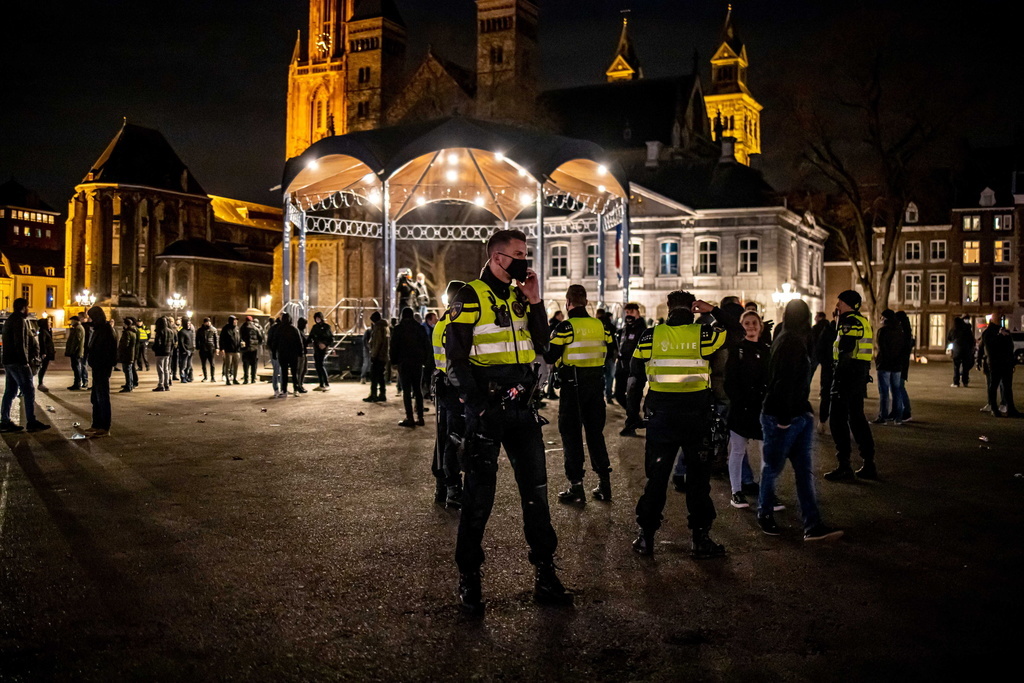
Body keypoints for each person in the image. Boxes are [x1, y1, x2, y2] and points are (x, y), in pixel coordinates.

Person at [444, 228, 571, 613]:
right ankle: (470, 577)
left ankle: (545, 574)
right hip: (488, 411)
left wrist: (535, 303)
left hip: (522, 408)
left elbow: (545, 347)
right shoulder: (469, 296)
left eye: (526, 253)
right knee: (478, 499)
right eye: (519, 254)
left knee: (537, 494)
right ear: (498, 258)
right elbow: (455, 362)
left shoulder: (521, 296)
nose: (525, 261)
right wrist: (480, 408)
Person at [629, 290, 727, 559]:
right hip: (696, 418)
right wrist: (712, 310)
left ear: (668, 308)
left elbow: (635, 376)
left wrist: (632, 415)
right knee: (698, 481)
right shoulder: (703, 335)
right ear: (692, 308)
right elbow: (736, 331)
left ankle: (646, 538)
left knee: (656, 480)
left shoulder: (651, 335)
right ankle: (700, 539)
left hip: (661, 419)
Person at [757, 299, 844, 541]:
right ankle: (765, 513)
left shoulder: (789, 340)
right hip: (783, 416)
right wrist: (785, 419)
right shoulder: (791, 343)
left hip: (796, 414)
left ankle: (812, 523)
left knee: (803, 471)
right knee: (773, 468)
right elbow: (782, 383)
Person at [544, 284, 615, 503]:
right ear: (586, 302)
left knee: (572, 436)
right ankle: (604, 484)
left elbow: (550, 356)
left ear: (568, 303)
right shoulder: (601, 326)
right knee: (595, 435)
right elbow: (612, 350)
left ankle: (576, 487)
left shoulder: (565, 327)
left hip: (572, 388)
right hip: (595, 386)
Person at [825, 290, 877, 482]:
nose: (837, 305)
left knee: (838, 420)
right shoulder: (861, 320)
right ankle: (868, 462)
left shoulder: (849, 321)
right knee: (857, 418)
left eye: (840, 302)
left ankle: (844, 465)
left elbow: (846, 350)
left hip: (847, 375)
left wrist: (838, 379)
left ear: (847, 303)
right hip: (858, 375)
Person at [724, 310, 770, 509]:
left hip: (761, 408)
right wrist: (739, 401)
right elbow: (730, 380)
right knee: (737, 451)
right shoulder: (737, 349)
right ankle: (736, 492)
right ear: (741, 326)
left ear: (760, 325)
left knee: (766, 453)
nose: (751, 326)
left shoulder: (767, 349)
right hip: (741, 408)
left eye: (754, 322)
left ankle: (767, 492)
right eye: (747, 323)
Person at [431, 280, 466, 508]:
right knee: (455, 437)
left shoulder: (440, 323)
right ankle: (453, 487)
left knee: (444, 435)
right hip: (455, 387)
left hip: (443, 384)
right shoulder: (455, 323)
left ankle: (442, 485)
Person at [0, 298, 50, 433]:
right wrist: (24, 362)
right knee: (28, 391)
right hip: (18, 362)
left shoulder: (11, 319)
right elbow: (20, 343)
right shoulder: (19, 321)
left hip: (9, 361)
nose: (28, 310)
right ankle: (31, 421)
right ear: (23, 307)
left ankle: (4, 420)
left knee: (10, 391)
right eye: (27, 307)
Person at [390, 306, 429, 426]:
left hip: (404, 363)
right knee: (418, 390)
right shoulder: (420, 328)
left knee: (406, 391)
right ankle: (421, 417)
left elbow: (393, 346)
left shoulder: (398, 329)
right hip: (417, 363)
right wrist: (424, 360)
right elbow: (427, 345)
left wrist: (393, 362)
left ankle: (410, 417)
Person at [82, 305, 117, 438]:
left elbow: (110, 351)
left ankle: (104, 426)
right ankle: (96, 424)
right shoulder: (98, 329)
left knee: (102, 397)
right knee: (95, 397)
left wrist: (105, 365)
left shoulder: (106, 330)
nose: (89, 320)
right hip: (97, 367)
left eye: (91, 317)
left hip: (102, 367)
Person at [977, 315, 1021, 417]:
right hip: (996, 363)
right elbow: (990, 348)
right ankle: (994, 408)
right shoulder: (989, 333)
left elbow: (1010, 347)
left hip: (1004, 363)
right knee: (994, 385)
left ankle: (1009, 408)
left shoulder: (1001, 332)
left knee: (1006, 387)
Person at [614, 302, 647, 436]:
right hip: (622, 367)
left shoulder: (641, 329)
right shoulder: (625, 328)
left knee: (633, 397)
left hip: (635, 368)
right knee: (618, 394)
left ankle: (630, 425)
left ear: (637, 313)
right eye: (627, 312)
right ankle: (635, 419)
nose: (628, 315)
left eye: (631, 312)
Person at [873, 309, 907, 425]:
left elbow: (882, 348)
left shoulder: (883, 331)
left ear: (885, 318)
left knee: (884, 392)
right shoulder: (899, 331)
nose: (881, 319)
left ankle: (883, 416)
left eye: (882, 317)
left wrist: (879, 360)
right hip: (897, 365)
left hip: (885, 365)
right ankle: (898, 417)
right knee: (896, 390)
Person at [813, 312, 838, 432]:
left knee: (828, 394)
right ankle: (823, 421)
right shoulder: (829, 329)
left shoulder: (828, 329)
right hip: (829, 366)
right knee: (827, 394)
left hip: (832, 367)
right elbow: (820, 348)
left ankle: (827, 422)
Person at [275, 313, 305, 398]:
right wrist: (300, 353)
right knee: (294, 372)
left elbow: (275, 342)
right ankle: (295, 389)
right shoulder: (294, 329)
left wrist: (274, 352)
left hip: (283, 354)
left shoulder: (279, 329)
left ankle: (284, 390)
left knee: (284, 373)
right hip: (293, 354)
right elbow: (299, 342)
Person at [363, 311, 389, 402]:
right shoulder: (384, 327)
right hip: (383, 356)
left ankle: (373, 394)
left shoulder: (378, 328)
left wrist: (373, 355)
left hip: (378, 356)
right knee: (381, 376)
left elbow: (377, 343)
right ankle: (382, 394)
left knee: (374, 376)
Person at [596, 308, 618, 404]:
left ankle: (599, 395)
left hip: (598, 355)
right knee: (609, 376)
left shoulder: (596, 325)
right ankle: (608, 395)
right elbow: (613, 342)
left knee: (599, 376)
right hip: (609, 354)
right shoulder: (611, 326)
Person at [895, 311, 914, 422]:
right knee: (899, 387)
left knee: (899, 387)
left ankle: (906, 412)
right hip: (903, 364)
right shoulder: (906, 332)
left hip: (899, 364)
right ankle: (903, 410)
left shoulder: (901, 333)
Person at [308, 312, 334, 391]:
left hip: (323, 349)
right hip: (316, 348)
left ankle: (325, 382)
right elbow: (310, 337)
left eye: (318, 318)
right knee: (318, 365)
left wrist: (325, 344)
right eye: (316, 318)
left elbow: (331, 338)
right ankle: (322, 383)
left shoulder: (326, 327)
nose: (317, 320)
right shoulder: (315, 327)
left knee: (320, 365)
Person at [948, 316, 975, 388]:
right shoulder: (967, 329)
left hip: (957, 351)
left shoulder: (953, 330)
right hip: (966, 351)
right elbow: (972, 340)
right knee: (965, 367)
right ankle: (965, 381)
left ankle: (956, 382)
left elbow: (949, 338)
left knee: (956, 367)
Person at [151, 316, 177, 392]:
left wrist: (154, 348)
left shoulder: (160, 331)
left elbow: (158, 343)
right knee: (166, 369)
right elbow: (173, 343)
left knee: (160, 369)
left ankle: (160, 384)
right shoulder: (171, 331)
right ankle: (166, 384)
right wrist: (170, 350)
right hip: (168, 352)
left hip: (160, 353)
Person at [240, 315, 264, 385]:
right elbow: (260, 338)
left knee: (245, 364)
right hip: (254, 349)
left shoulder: (243, 327)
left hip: (245, 348)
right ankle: (253, 379)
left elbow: (240, 337)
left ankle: (246, 379)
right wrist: (257, 344)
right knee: (254, 364)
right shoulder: (256, 328)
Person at [65, 315, 87, 391]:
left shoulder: (78, 328)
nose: (71, 322)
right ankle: (77, 383)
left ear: (75, 321)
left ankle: (77, 383)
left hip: (76, 352)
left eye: (72, 321)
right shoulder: (77, 328)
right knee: (76, 367)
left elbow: (76, 341)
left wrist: (72, 350)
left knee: (76, 367)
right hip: (75, 351)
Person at [117, 317, 139, 392]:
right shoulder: (133, 332)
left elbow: (125, 344)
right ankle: (130, 384)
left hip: (127, 354)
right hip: (131, 353)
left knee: (127, 370)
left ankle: (129, 385)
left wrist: (120, 350)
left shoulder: (127, 333)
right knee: (129, 369)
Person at [219, 315, 242, 385]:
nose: (236, 321)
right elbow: (221, 339)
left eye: (236, 320)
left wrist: (241, 342)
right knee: (228, 365)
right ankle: (227, 379)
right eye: (234, 320)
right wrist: (222, 348)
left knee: (236, 365)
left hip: (236, 350)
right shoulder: (225, 328)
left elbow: (239, 338)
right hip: (228, 350)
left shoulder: (237, 328)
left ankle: (235, 378)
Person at [36, 317, 56, 392]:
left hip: (48, 352)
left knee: (44, 368)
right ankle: (40, 383)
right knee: (43, 368)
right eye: (48, 323)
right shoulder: (43, 332)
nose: (49, 324)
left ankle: (40, 383)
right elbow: (43, 343)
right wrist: (44, 352)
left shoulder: (46, 331)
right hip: (46, 353)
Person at [265, 318, 282, 397]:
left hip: (275, 351)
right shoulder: (279, 328)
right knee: (279, 370)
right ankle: (280, 389)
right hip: (278, 351)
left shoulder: (273, 328)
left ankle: (277, 389)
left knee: (277, 370)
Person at [177, 318, 195, 383]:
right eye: (187, 323)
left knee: (189, 365)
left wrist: (193, 349)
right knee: (183, 365)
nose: (188, 325)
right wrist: (185, 350)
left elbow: (192, 340)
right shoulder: (181, 332)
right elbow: (181, 343)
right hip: (184, 351)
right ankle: (183, 377)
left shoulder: (190, 331)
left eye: (189, 323)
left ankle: (187, 376)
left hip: (190, 350)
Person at [296, 317, 310, 394]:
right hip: (300, 354)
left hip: (303, 353)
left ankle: (300, 384)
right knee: (300, 370)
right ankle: (299, 385)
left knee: (304, 369)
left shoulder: (301, 332)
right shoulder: (298, 332)